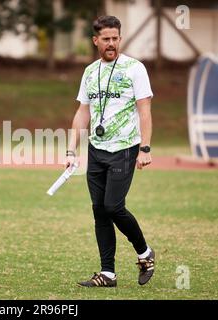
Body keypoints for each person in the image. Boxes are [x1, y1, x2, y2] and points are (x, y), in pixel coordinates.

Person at [65, 16, 155, 287]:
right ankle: (108, 273)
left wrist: (145, 148)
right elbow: (83, 113)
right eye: (106, 39)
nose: (112, 43)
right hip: (97, 149)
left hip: (125, 149)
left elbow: (145, 111)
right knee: (99, 211)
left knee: (113, 206)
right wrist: (71, 150)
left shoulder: (134, 68)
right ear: (96, 41)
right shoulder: (90, 72)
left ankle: (145, 253)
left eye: (115, 38)